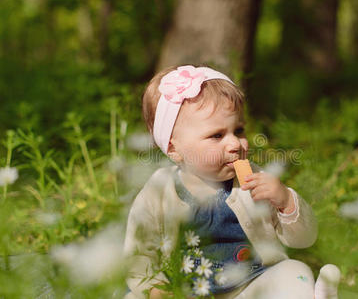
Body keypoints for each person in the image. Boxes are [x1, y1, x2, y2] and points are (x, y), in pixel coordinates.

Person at [123, 65, 340, 299]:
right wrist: (158, 290)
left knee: (294, 271)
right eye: (217, 135)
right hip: (185, 293)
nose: (235, 144)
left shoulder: (255, 181)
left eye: (238, 130)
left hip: (250, 287)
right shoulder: (158, 191)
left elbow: (304, 239)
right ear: (174, 148)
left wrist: (286, 202)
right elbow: (138, 255)